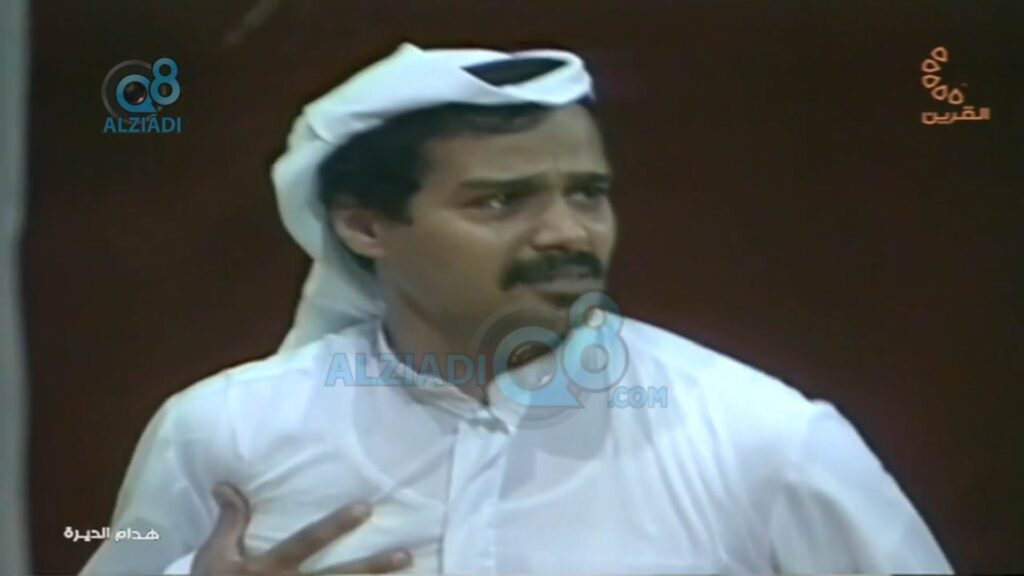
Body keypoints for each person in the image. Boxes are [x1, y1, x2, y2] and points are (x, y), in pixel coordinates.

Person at [81, 42, 952, 575]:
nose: (568, 233)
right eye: (501, 201)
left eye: (588, 192)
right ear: (365, 225)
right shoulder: (222, 432)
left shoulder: (763, 438)